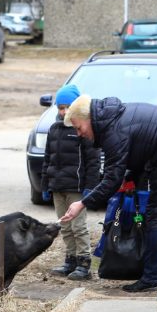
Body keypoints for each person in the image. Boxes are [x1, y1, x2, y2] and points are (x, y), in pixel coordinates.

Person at [60, 94, 157, 292]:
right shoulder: (111, 121)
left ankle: (152, 278)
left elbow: (111, 178)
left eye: (79, 127)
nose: (79, 133)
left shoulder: (112, 131)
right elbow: (139, 148)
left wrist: (83, 203)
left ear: (89, 119)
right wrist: (131, 177)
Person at [41, 84, 101, 280]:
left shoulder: (81, 129)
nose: (64, 111)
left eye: (67, 107)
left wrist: (90, 187)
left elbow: (92, 161)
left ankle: (84, 263)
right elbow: (47, 158)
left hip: (76, 188)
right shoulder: (54, 129)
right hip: (58, 186)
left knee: (78, 226)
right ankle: (71, 260)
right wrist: (45, 184)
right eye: (60, 107)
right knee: (65, 226)